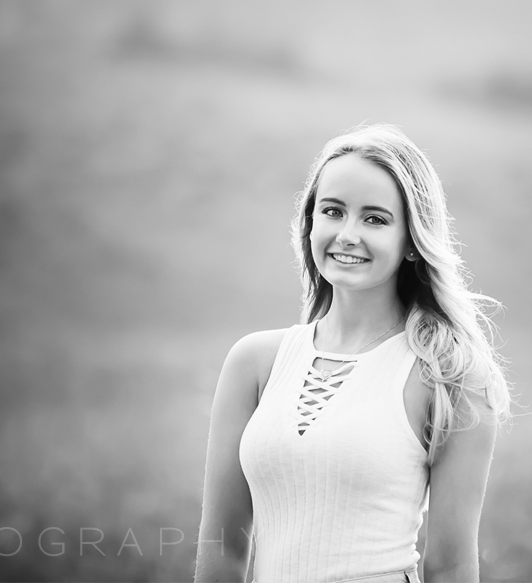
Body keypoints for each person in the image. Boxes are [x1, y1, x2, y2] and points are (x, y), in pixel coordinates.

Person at [194, 124, 512, 583]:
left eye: (375, 219)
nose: (347, 234)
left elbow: (450, 565)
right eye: (333, 211)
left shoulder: (448, 374)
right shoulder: (253, 362)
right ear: (310, 223)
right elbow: (222, 545)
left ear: (411, 241)